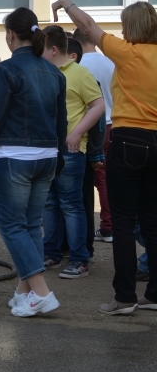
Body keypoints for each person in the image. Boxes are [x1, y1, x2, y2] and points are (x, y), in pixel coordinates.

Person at [52, 0, 157, 315]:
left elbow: (87, 26)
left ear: (131, 27)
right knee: (153, 222)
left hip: (127, 140)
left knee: (123, 222)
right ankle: (154, 294)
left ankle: (124, 297)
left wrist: (66, 4)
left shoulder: (126, 52)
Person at [0, 7, 67, 317]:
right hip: (47, 157)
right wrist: (57, 158)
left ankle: (43, 294)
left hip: (13, 158)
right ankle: (26, 292)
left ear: (9, 35)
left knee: (11, 226)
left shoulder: (4, 71)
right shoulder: (54, 73)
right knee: (31, 225)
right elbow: (61, 123)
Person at [40, 26, 104, 279]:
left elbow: (98, 106)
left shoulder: (80, 73)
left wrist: (77, 133)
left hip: (71, 151)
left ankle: (79, 259)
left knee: (71, 205)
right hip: (46, 150)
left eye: (41, 48)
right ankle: (52, 253)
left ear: (53, 49)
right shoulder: (43, 72)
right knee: (50, 203)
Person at [74, 27, 116, 242]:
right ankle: (108, 223)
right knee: (106, 178)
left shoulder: (79, 66)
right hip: (112, 123)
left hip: (90, 126)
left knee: (91, 179)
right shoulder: (110, 63)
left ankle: (106, 226)